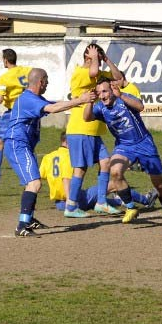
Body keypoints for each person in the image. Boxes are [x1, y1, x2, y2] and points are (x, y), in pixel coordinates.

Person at [3, 68, 94, 238]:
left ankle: (28, 219)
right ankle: (22, 226)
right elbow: (52, 108)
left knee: (31, 184)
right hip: (17, 144)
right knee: (35, 184)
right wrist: (79, 100)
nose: (47, 84)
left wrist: (79, 101)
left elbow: (54, 104)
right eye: (47, 81)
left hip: (23, 145)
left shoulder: (34, 98)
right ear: (41, 82)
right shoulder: (28, 99)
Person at [83, 77, 162, 226]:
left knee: (159, 184)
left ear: (112, 90)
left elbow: (140, 107)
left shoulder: (124, 98)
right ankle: (130, 207)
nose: (102, 95)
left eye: (105, 91)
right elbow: (86, 118)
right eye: (99, 92)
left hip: (144, 143)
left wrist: (121, 95)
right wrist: (89, 101)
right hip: (124, 146)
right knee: (114, 171)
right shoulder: (100, 107)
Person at [64, 43, 124, 218]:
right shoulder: (80, 73)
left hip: (94, 130)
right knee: (80, 169)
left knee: (105, 162)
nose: (99, 64)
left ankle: (101, 202)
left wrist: (107, 60)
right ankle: (71, 206)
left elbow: (118, 78)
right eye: (95, 58)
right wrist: (95, 59)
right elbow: (93, 72)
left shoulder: (98, 74)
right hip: (80, 128)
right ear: (87, 58)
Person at [39, 132, 159, 212]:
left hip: (59, 203)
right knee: (114, 184)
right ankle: (146, 200)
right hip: (74, 200)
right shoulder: (69, 156)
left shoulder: (48, 157)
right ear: (67, 142)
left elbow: (39, 179)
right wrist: (71, 204)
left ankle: (118, 201)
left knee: (94, 197)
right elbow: (66, 179)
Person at [0, 48, 32, 188]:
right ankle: (30, 179)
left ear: (5, 60)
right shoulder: (26, 70)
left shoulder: (5, 78)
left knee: (0, 143)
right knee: (25, 145)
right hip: (27, 113)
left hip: (12, 113)